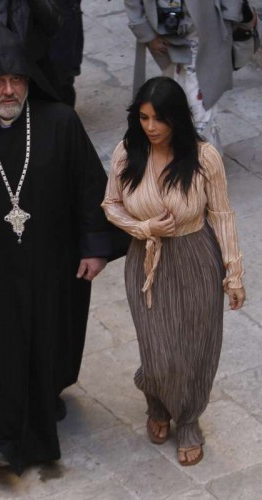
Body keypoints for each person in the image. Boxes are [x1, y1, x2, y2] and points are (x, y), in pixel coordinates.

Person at [0, 22, 128, 475]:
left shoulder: (59, 122)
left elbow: (88, 188)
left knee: (44, 331)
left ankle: (38, 400)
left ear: (29, 80)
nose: (7, 90)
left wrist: (95, 247)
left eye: (16, 79)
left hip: (49, 260)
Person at [102, 76, 245, 466]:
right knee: (160, 353)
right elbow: (111, 205)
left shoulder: (203, 158)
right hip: (146, 259)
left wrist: (233, 272)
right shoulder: (126, 153)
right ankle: (155, 396)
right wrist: (143, 228)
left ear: (177, 119)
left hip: (196, 256)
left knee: (197, 350)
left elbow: (222, 214)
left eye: (159, 119)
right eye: (144, 118)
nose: (151, 127)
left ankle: (187, 422)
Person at [123, 0, 260, 151]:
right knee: (178, 92)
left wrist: (237, 15)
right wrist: (147, 33)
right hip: (166, 31)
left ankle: (202, 159)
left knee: (200, 96)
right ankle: (200, 152)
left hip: (206, 27)